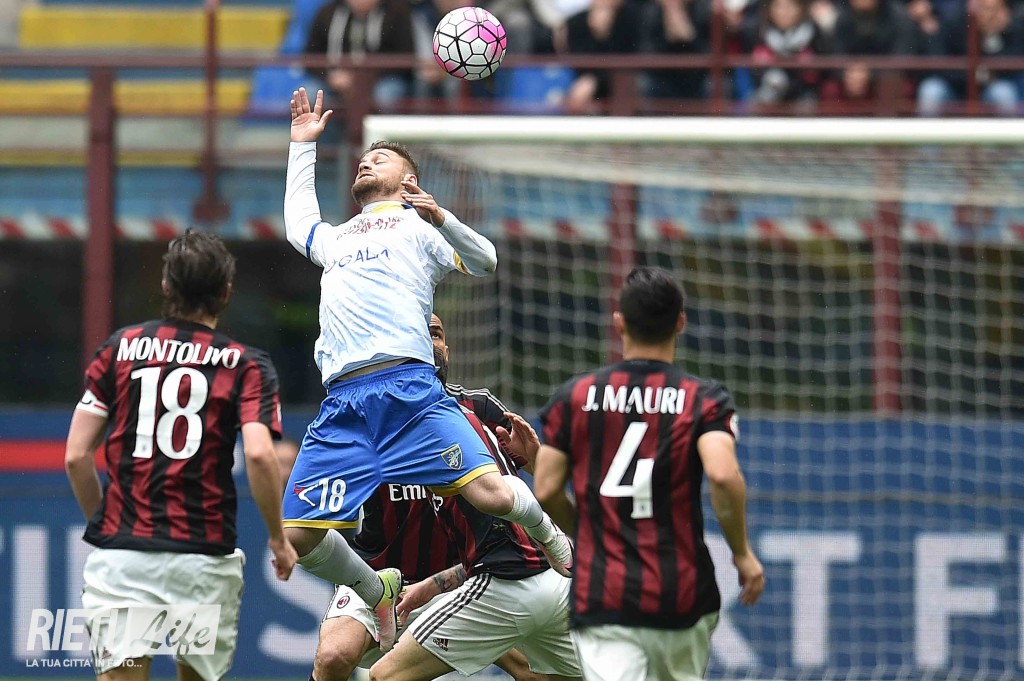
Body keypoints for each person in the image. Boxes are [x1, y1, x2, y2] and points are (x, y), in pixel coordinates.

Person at [282, 87, 573, 654]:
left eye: (381, 158)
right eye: (365, 158)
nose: (366, 161)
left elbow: (486, 261)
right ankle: (376, 588)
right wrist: (302, 147)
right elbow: (299, 224)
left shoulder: (420, 229)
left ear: (408, 181)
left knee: (492, 495)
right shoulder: (337, 239)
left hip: (408, 391)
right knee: (298, 535)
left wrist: (443, 217)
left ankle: (549, 533)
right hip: (342, 404)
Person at [64, 231, 297, 681]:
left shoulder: (119, 349)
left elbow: (76, 456)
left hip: (126, 554)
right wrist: (277, 538)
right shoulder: (245, 364)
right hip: (203, 556)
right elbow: (259, 455)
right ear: (226, 292)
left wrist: (106, 525)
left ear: (166, 286)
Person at [533, 266, 766, 681]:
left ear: (619, 322)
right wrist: (742, 553)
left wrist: (587, 530)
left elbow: (547, 487)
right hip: (682, 593)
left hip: (605, 594)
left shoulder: (574, 397)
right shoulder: (703, 399)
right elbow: (724, 475)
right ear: (680, 322)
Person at [312, 314, 560, 681]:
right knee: (334, 656)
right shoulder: (365, 417)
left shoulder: (479, 409)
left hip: (465, 577)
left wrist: (535, 460)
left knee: (531, 669)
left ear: (448, 349)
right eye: (419, 332)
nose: (430, 341)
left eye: (437, 334)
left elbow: (530, 492)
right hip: (380, 576)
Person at [368, 325, 581, 681]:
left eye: (436, 334)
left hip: (506, 587)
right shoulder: (468, 413)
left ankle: (547, 531)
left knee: (383, 677)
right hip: (555, 583)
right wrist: (430, 587)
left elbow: (501, 521)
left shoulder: (426, 425)